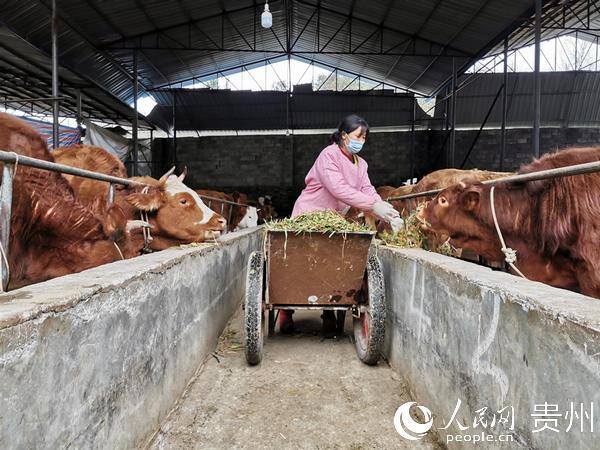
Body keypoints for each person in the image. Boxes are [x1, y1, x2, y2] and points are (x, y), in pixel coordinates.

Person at [281, 114, 403, 335]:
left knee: (332, 264)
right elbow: (337, 189)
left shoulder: (361, 164)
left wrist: (388, 213)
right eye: (358, 136)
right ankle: (286, 310)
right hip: (308, 216)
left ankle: (328, 313)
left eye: (365, 137)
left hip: (334, 222)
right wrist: (372, 206)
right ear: (344, 135)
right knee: (297, 263)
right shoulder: (328, 155)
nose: (362, 141)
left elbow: (367, 190)